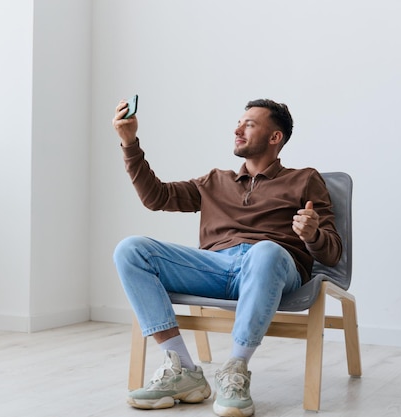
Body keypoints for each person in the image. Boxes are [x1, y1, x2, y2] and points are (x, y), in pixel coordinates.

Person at [111, 98, 341, 417]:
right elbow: (156, 196)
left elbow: (332, 252)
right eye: (238, 122)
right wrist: (129, 142)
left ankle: (236, 369)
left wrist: (312, 234)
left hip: (273, 266)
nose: (237, 129)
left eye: (249, 124)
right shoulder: (215, 182)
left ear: (275, 137)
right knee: (131, 249)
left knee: (266, 251)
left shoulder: (304, 179)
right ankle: (183, 370)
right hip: (216, 268)